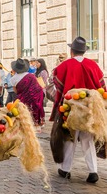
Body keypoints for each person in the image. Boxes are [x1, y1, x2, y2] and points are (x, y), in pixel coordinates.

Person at [50, 37, 106, 183]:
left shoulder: (65, 65)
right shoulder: (93, 65)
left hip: (71, 106)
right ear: (84, 51)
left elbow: (58, 88)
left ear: (72, 51)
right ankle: (93, 171)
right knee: (88, 138)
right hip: (89, 107)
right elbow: (102, 88)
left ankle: (66, 169)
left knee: (69, 137)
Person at [10, 59, 45, 130]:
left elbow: (16, 91)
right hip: (36, 97)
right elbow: (37, 87)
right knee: (35, 109)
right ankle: (37, 124)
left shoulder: (13, 79)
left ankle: (24, 124)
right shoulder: (31, 76)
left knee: (25, 111)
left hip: (23, 98)